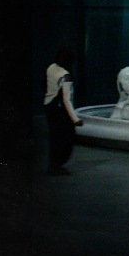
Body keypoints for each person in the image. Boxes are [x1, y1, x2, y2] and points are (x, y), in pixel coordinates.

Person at [43, 46, 83, 175]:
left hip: (49, 105)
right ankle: (57, 165)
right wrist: (75, 119)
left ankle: (53, 165)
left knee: (55, 137)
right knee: (66, 138)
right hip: (60, 110)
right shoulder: (66, 76)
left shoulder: (51, 67)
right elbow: (66, 100)